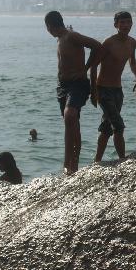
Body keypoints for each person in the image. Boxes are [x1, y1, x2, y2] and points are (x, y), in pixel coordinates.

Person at [44, 11, 103, 175]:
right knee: (71, 124)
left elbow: (97, 46)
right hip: (63, 86)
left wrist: (86, 69)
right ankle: (72, 166)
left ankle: (69, 163)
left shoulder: (71, 36)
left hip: (77, 84)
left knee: (70, 115)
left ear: (49, 27)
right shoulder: (61, 38)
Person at [88, 11, 136, 163]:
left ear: (132, 23)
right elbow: (93, 67)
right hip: (103, 90)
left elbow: (132, 62)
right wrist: (93, 92)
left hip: (117, 91)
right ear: (116, 25)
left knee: (106, 128)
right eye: (122, 23)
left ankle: (97, 161)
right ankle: (123, 160)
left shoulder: (132, 42)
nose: (125, 25)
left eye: (128, 22)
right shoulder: (108, 43)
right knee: (118, 126)